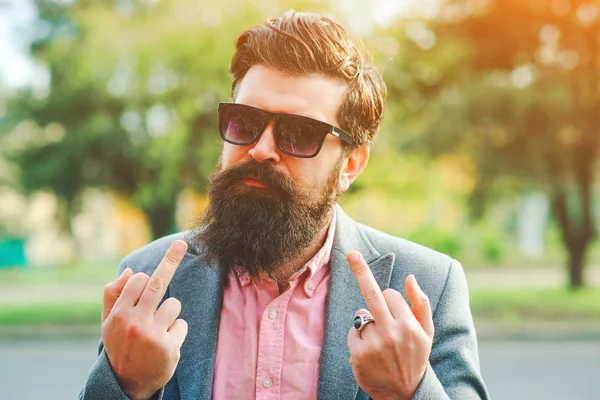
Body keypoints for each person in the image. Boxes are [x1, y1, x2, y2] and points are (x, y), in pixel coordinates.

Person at [80, 10, 489, 400]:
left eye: (298, 133)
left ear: (350, 164)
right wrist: (126, 387)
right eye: (244, 122)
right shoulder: (147, 280)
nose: (260, 150)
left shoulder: (429, 287)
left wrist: (407, 391)